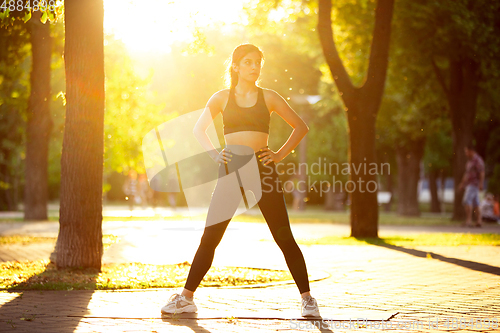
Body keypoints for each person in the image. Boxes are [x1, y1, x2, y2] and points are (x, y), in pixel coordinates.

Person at [160, 44, 320, 317]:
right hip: (232, 169)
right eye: (248, 62)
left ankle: (308, 301)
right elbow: (199, 128)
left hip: (263, 169)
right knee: (210, 237)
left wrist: (279, 155)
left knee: (284, 237)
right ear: (235, 66)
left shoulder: (269, 97)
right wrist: (214, 155)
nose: (254, 66)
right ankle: (186, 299)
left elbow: (301, 126)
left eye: (258, 62)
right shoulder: (222, 97)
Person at [458, 144, 485, 227]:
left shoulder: (477, 160)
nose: (466, 153)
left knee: (467, 201)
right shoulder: (470, 161)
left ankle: (468, 221)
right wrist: (462, 184)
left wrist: (481, 183)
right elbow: (467, 174)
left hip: (474, 184)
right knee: (476, 203)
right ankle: (479, 221)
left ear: (471, 151)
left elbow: (481, 172)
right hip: (469, 184)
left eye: (467, 152)